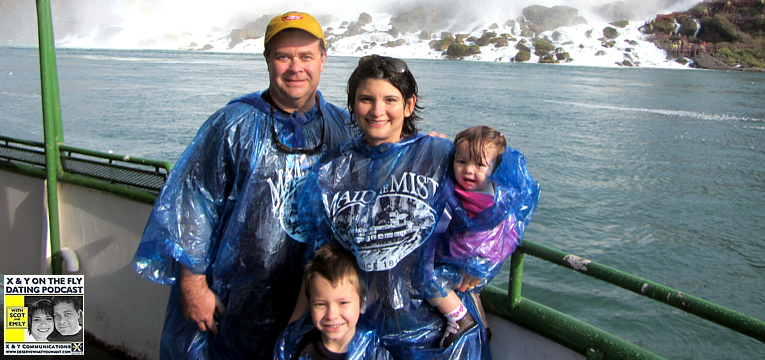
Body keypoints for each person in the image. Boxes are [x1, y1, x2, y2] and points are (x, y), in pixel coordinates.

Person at [130, 11, 356, 359]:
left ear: (323, 60)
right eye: (283, 56)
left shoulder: (343, 126)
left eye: (306, 56)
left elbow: (383, 168)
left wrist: (432, 148)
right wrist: (193, 287)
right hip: (232, 305)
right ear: (267, 60)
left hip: (313, 305)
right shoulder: (232, 124)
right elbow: (192, 205)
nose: (296, 67)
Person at [297, 55, 487, 359]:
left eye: (390, 99)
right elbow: (319, 257)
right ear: (352, 104)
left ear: (409, 105)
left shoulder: (438, 155)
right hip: (358, 329)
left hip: (437, 333)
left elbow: (502, 194)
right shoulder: (333, 169)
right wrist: (296, 326)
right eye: (365, 99)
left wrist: (480, 263)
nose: (377, 110)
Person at [426, 126, 539, 347]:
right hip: (482, 266)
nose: (468, 170)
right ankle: (483, 326)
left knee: (428, 281)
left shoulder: (477, 201)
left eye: (479, 165)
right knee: (474, 292)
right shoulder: (498, 194)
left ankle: (459, 318)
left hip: (463, 263)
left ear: (494, 168)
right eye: (461, 162)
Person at [275, 245, 392, 360]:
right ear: (310, 305)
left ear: (362, 304)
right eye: (321, 304)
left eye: (343, 303)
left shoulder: (373, 353)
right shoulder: (297, 345)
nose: (331, 315)